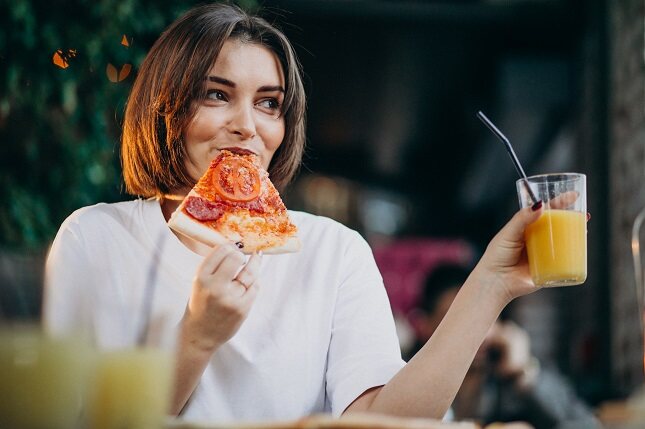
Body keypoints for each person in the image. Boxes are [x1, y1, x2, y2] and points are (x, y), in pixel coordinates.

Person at [44, 2, 547, 425]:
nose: (248, 126)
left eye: (269, 104)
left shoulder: (335, 250)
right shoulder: (94, 239)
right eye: (217, 95)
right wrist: (196, 338)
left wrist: (490, 284)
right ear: (165, 108)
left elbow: (383, 421)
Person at [410, 264, 602, 429]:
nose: (474, 331)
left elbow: (585, 424)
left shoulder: (514, 370)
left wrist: (525, 374)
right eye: (454, 319)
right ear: (425, 325)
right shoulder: (408, 375)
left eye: (484, 316)